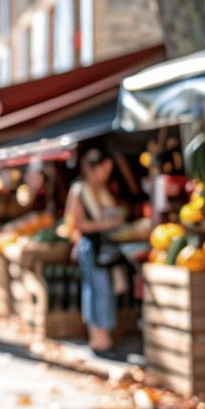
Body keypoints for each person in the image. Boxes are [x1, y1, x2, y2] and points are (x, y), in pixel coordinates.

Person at [67, 148, 125, 353]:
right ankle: (98, 338)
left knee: (106, 290)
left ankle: (104, 335)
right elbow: (74, 223)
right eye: (103, 169)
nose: (105, 174)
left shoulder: (103, 190)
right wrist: (102, 225)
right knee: (96, 290)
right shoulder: (79, 190)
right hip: (90, 246)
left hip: (106, 247)